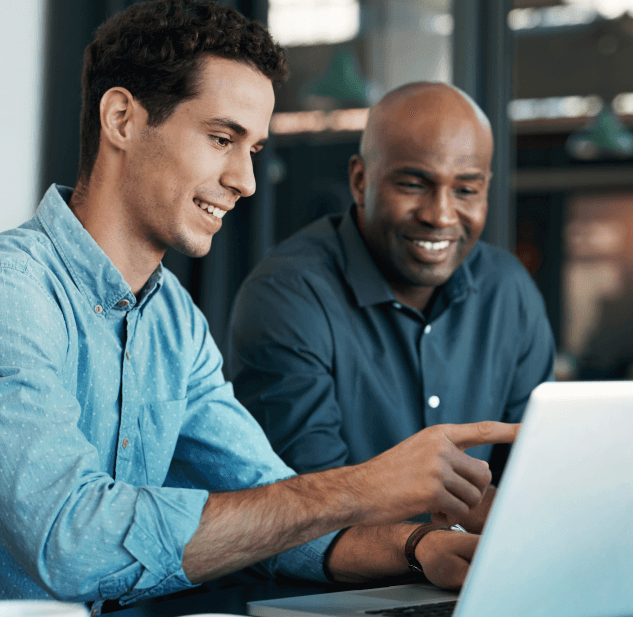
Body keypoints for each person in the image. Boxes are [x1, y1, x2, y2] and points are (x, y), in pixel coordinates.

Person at [0, 0, 517, 617]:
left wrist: (419, 546)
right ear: (123, 120)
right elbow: (75, 543)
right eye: (222, 139)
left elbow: (272, 513)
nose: (245, 181)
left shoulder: (173, 324)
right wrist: (361, 488)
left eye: (253, 150)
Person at [227, 82, 555, 530]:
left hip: (472, 578)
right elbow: (309, 505)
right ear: (360, 181)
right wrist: (436, 545)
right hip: (327, 595)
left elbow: (538, 474)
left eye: (466, 190)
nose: (440, 215)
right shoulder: (288, 294)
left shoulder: (508, 290)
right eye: (414, 184)